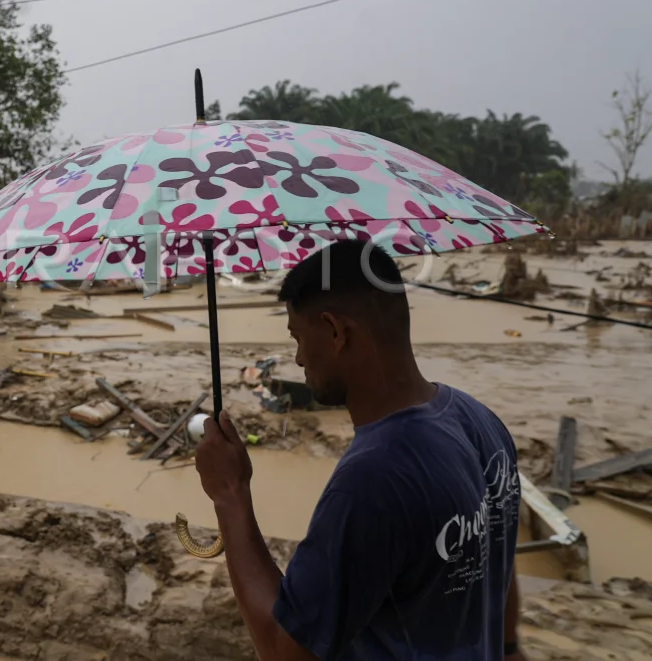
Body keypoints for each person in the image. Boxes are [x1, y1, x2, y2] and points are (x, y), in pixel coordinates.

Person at [195, 239, 523, 661]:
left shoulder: (371, 483)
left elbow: (283, 649)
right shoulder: (479, 419)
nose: (299, 358)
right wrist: (508, 647)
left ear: (335, 332)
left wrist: (231, 494)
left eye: (298, 337)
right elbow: (498, 555)